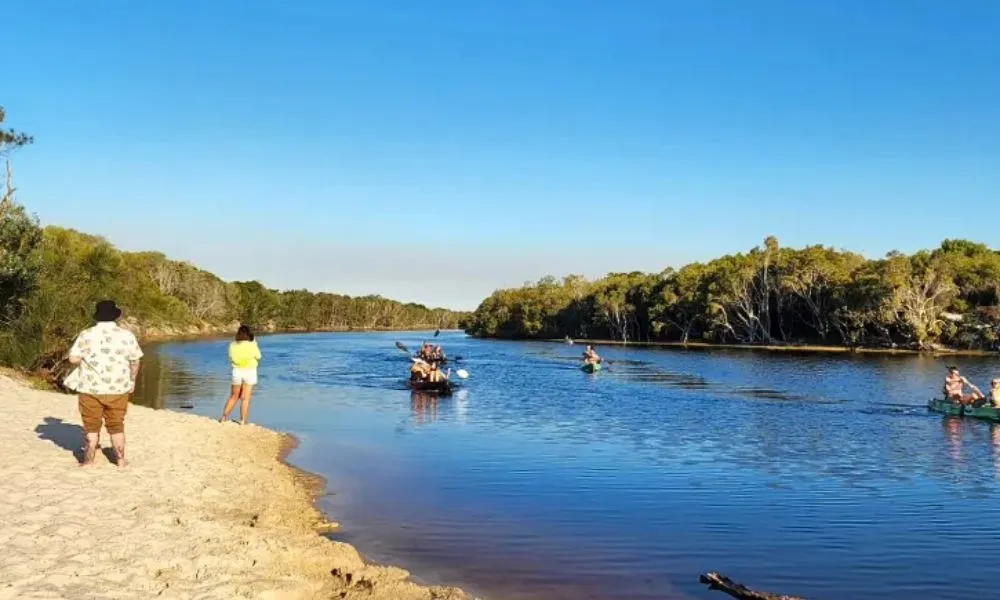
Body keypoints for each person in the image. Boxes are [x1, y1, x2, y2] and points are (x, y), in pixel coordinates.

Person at [66, 300, 143, 469]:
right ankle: (121, 461)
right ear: (115, 316)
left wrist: (86, 357)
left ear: (98, 316)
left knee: (91, 425)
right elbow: (135, 361)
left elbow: (73, 358)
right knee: (116, 425)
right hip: (118, 388)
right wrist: (132, 381)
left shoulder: (86, 334)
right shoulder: (126, 335)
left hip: (90, 387)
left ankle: (88, 461)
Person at [221, 325, 262, 424]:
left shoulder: (232, 345)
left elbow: (231, 357)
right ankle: (243, 420)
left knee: (234, 396)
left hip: (237, 371)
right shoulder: (251, 345)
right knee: (245, 398)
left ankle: (224, 418)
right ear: (249, 334)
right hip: (250, 371)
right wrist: (254, 343)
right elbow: (259, 356)